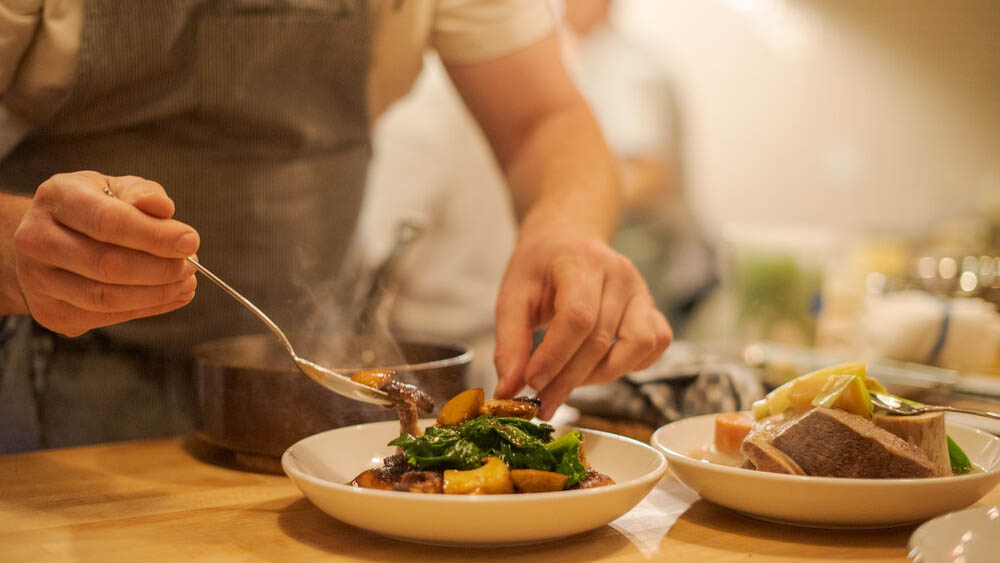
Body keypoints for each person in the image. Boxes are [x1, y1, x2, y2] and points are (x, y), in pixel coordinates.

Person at [0, 1, 671, 452]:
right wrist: (15, 245)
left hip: (321, 387)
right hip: (49, 387)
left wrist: (567, 230)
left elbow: (544, 119)